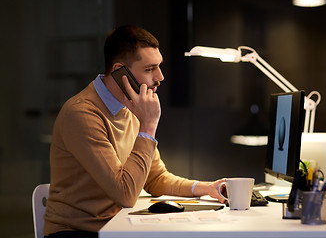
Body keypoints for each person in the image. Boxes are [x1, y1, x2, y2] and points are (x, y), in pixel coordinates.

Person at [43, 25, 225, 238]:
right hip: (76, 231)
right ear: (120, 71)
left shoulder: (130, 107)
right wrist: (148, 126)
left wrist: (206, 188)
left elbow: (156, 178)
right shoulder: (82, 114)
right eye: (149, 69)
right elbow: (125, 194)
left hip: (117, 225)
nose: (160, 77)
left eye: (159, 66)